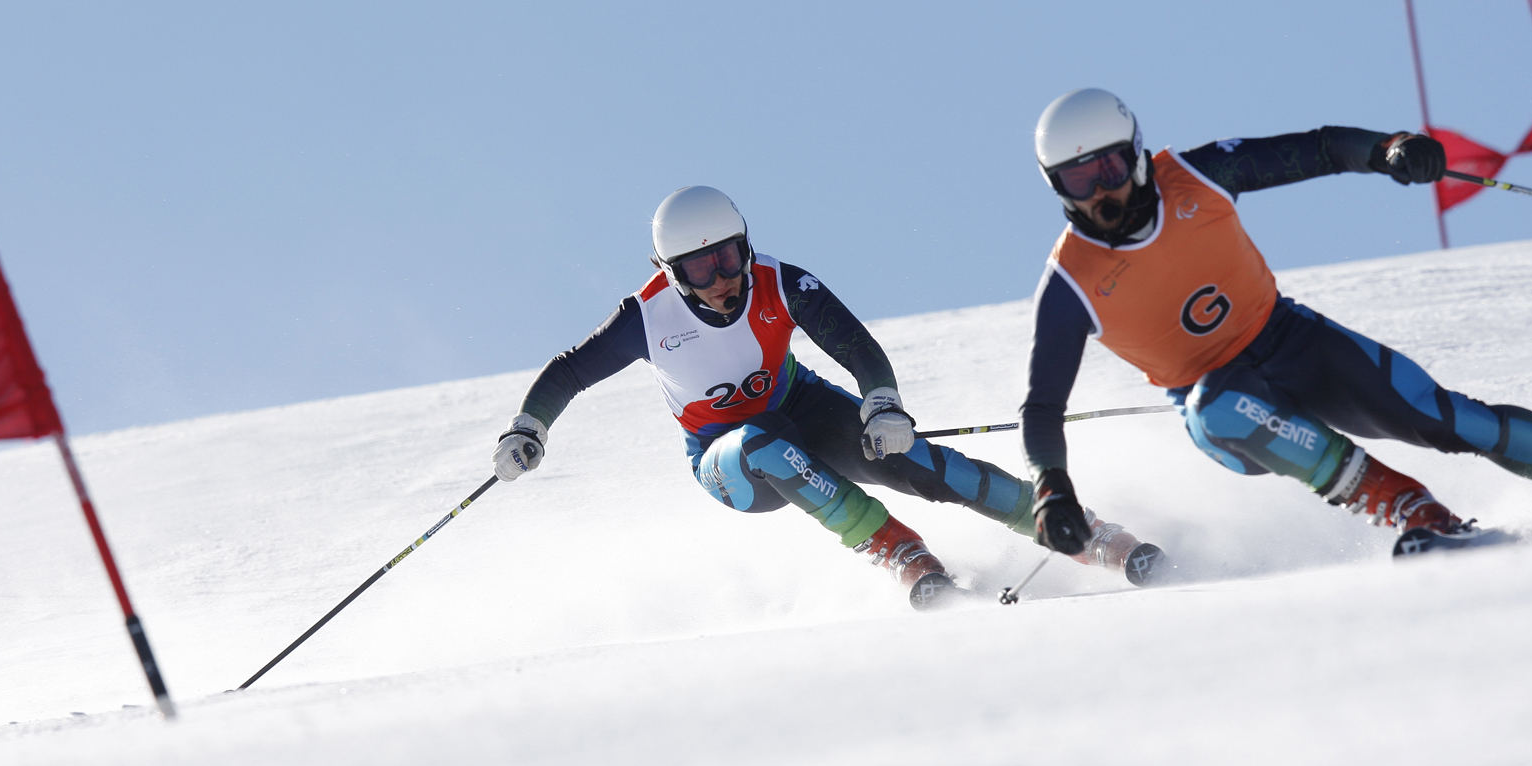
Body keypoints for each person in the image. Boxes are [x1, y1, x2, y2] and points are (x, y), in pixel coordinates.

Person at [493, 185, 1165, 609]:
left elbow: (854, 346)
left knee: (923, 466)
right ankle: (898, 552)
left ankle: (1078, 531)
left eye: (728, 257)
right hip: (729, 462)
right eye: (700, 269)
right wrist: (530, 427)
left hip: (803, 409)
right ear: (669, 275)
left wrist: (881, 405)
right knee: (765, 447)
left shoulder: (780, 283)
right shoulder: (647, 317)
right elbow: (568, 371)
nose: (722, 279)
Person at [1020, 88, 1532, 560]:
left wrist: (1388, 149)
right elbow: (1042, 406)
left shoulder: (1196, 176)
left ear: (1136, 155)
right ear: (1056, 189)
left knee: (1446, 418)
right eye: (1078, 181)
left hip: (1291, 339)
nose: (1101, 192)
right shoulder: (1071, 282)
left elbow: (1318, 149)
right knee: (1216, 401)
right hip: (1223, 409)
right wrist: (1052, 488)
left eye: (1110, 168)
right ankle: (1418, 513)